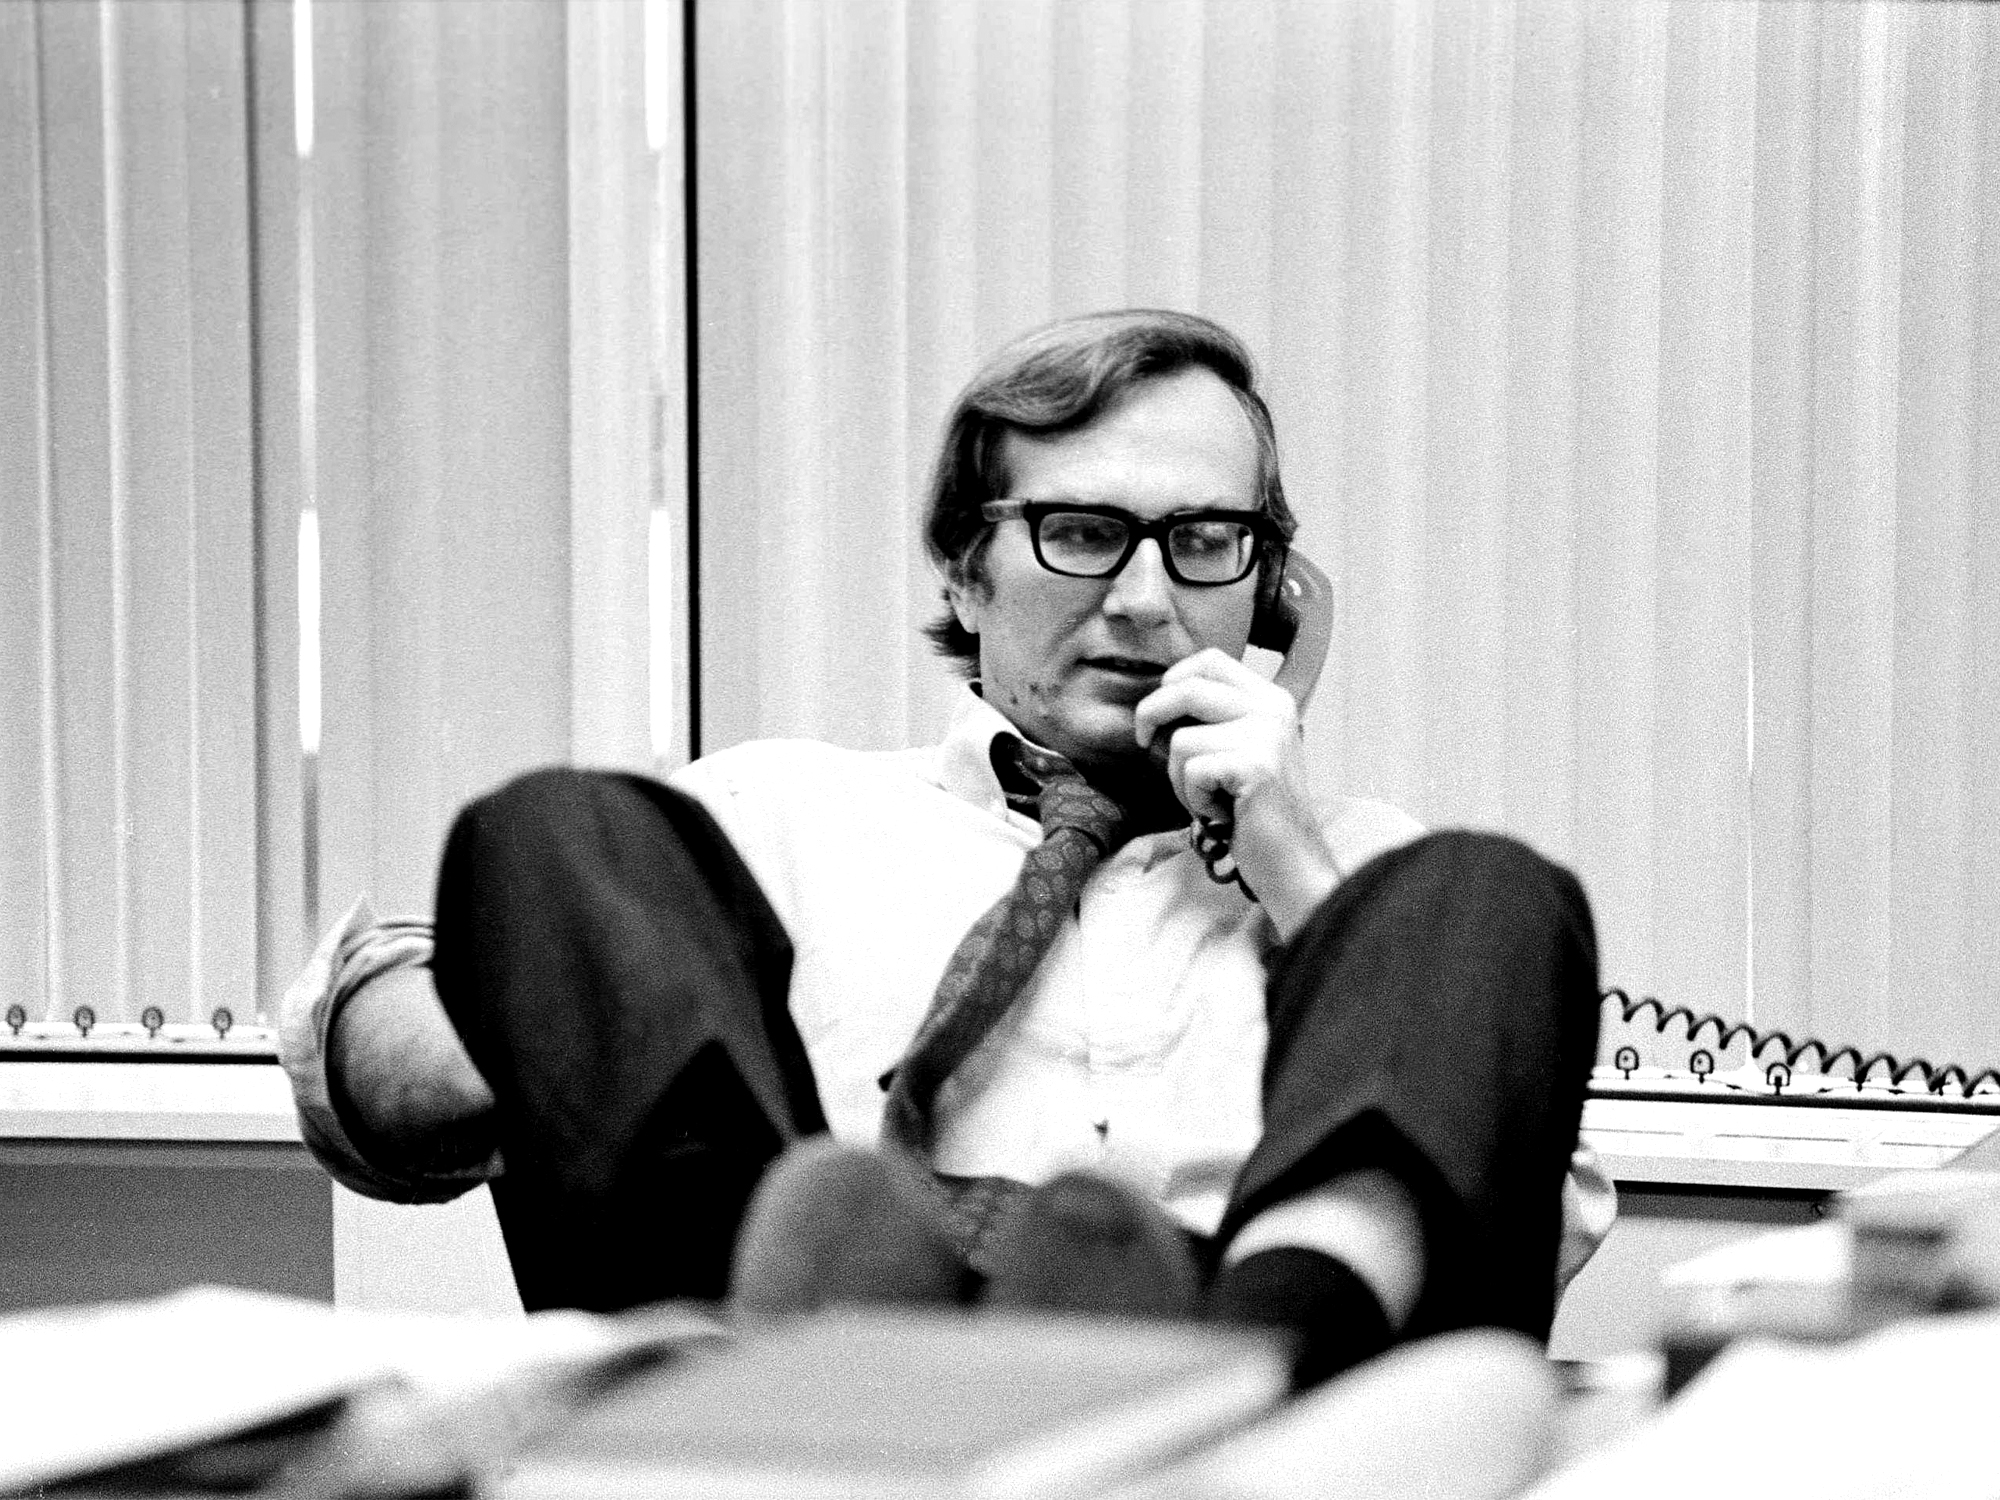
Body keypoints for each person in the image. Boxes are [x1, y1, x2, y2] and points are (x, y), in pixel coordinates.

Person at [281, 309, 1611, 1389]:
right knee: (555, 829)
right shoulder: (772, 827)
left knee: (1489, 886)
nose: (1146, 600)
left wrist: (1297, 877)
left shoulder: (1379, 888)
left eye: (1206, 543)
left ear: (1271, 594)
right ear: (968, 577)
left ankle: (1255, 1355)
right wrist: (561, 1012)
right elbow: (368, 1084)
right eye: (1084, 534)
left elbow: (1532, 1235)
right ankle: (772, 1357)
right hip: (804, 1374)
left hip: (1276, 1406)